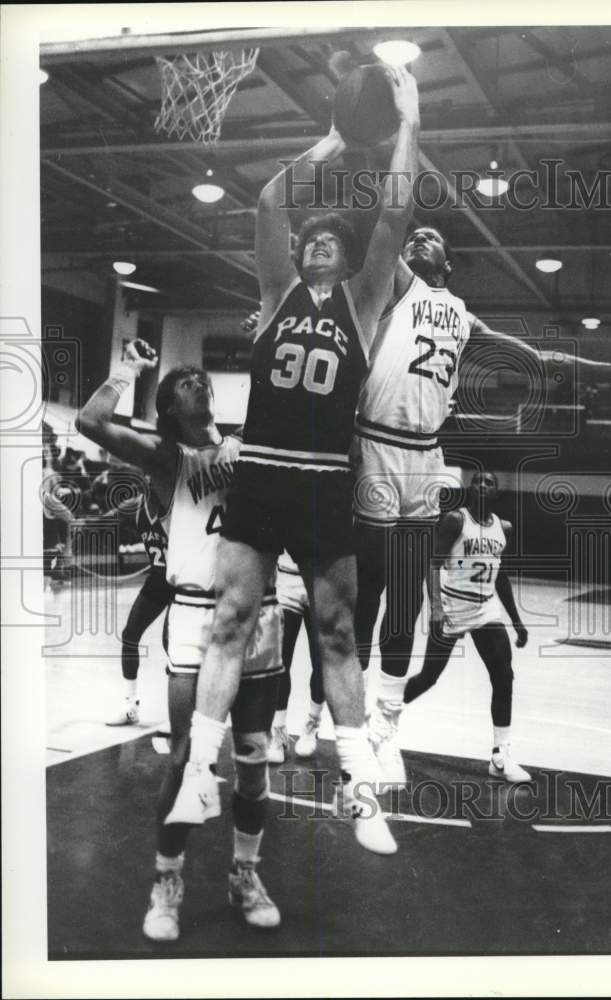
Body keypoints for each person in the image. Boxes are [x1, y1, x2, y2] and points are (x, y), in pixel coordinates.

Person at [166, 65, 420, 856]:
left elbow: (396, 215)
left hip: (322, 481)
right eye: (309, 238)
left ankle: (359, 787)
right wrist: (336, 140)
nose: (314, 242)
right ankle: (199, 772)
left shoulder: (364, 300)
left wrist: (408, 121)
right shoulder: (273, 294)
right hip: (265, 474)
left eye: (327, 240)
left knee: (340, 632)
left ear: (342, 257)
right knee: (233, 619)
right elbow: (271, 201)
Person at [354, 225, 611, 784]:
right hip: (372, 442)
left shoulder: (463, 317)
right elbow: (376, 228)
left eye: (430, 237)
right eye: (413, 236)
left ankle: (383, 728)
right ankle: (330, 716)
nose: (418, 239)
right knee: (363, 593)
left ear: (449, 265)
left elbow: (542, 356)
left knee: (405, 596)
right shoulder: (396, 284)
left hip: (424, 455)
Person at [76, 343, 283, 941]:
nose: (196, 381)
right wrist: (126, 368)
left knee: (251, 760)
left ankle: (246, 872)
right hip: (195, 615)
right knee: (187, 755)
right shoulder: (170, 458)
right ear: (169, 407)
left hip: (258, 613)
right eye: (183, 381)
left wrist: (268, 339)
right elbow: (91, 422)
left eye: (201, 378)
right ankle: (166, 880)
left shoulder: (250, 443)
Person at [403, 471, 531, 781]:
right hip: (453, 608)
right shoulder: (454, 521)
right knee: (429, 677)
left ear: (496, 492)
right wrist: (435, 609)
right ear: (469, 489)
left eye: (489, 482)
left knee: (504, 675)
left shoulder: (504, 528)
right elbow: (432, 564)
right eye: (477, 481)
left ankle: (501, 755)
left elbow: (500, 575)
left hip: (486, 611)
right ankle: (382, 717)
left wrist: (517, 622)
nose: (483, 485)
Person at [106, 488, 174, 726]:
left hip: (182, 579)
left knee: (173, 644)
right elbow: (107, 519)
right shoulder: (136, 504)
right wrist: (78, 521)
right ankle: (130, 705)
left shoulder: (179, 500)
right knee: (130, 634)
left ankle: (182, 714)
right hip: (158, 578)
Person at [267, 551, 325, 763]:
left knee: (321, 662)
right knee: (280, 659)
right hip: (287, 577)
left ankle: (313, 724)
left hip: (322, 578)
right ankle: (279, 731)